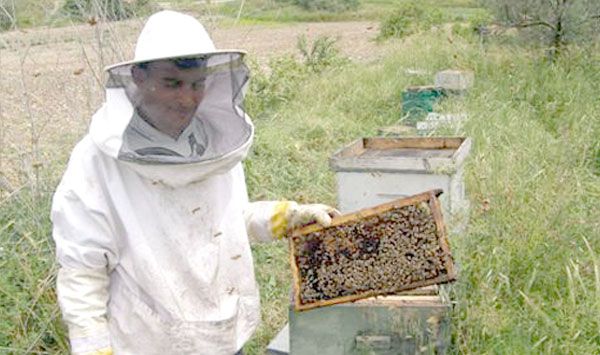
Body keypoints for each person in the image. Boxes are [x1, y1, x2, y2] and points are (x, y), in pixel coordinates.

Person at [51, 10, 339, 355]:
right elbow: (82, 274)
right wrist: (94, 349)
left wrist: (287, 216)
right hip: (149, 343)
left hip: (223, 334)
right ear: (139, 77)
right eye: (172, 84)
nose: (187, 99)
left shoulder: (213, 143)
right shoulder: (96, 163)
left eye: (197, 84)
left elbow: (227, 221)